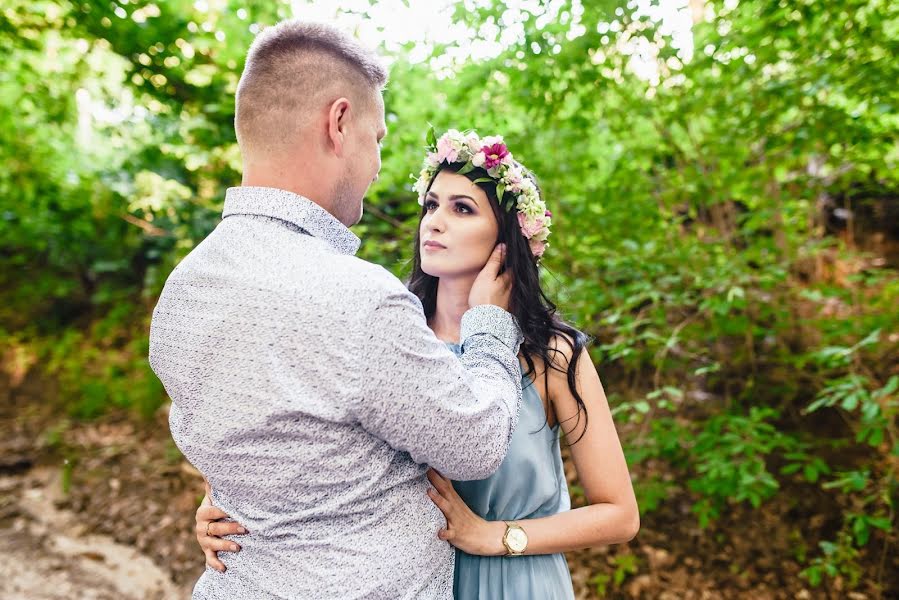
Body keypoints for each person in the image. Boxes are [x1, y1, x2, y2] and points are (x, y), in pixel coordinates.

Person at [148, 21, 528, 600]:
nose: (376, 164)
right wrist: (492, 326)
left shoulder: (182, 290)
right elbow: (475, 444)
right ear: (339, 122)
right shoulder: (359, 300)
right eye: (375, 138)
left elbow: (238, 442)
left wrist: (224, 498)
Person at [196, 129, 640, 599]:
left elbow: (619, 514)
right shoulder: (389, 337)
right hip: (399, 582)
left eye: (461, 208)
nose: (435, 221)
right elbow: (301, 442)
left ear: (506, 238)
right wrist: (224, 504)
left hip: (516, 580)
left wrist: (497, 536)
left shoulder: (552, 355)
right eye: (431, 205)